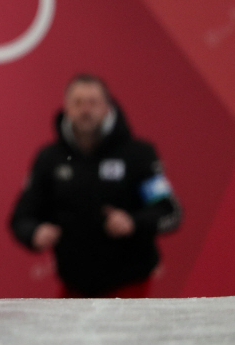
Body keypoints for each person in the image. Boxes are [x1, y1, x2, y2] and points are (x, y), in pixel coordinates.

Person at [10, 74, 182, 297]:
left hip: (130, 286)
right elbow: (21, 217)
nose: (85, 110)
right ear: (67, 108)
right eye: (78, 103)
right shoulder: (50, 159)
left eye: (93, 102)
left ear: (106, 107)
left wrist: (133, 222)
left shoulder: (138, 155)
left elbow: (169, 212)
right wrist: (34, 232)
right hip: (74, 287)